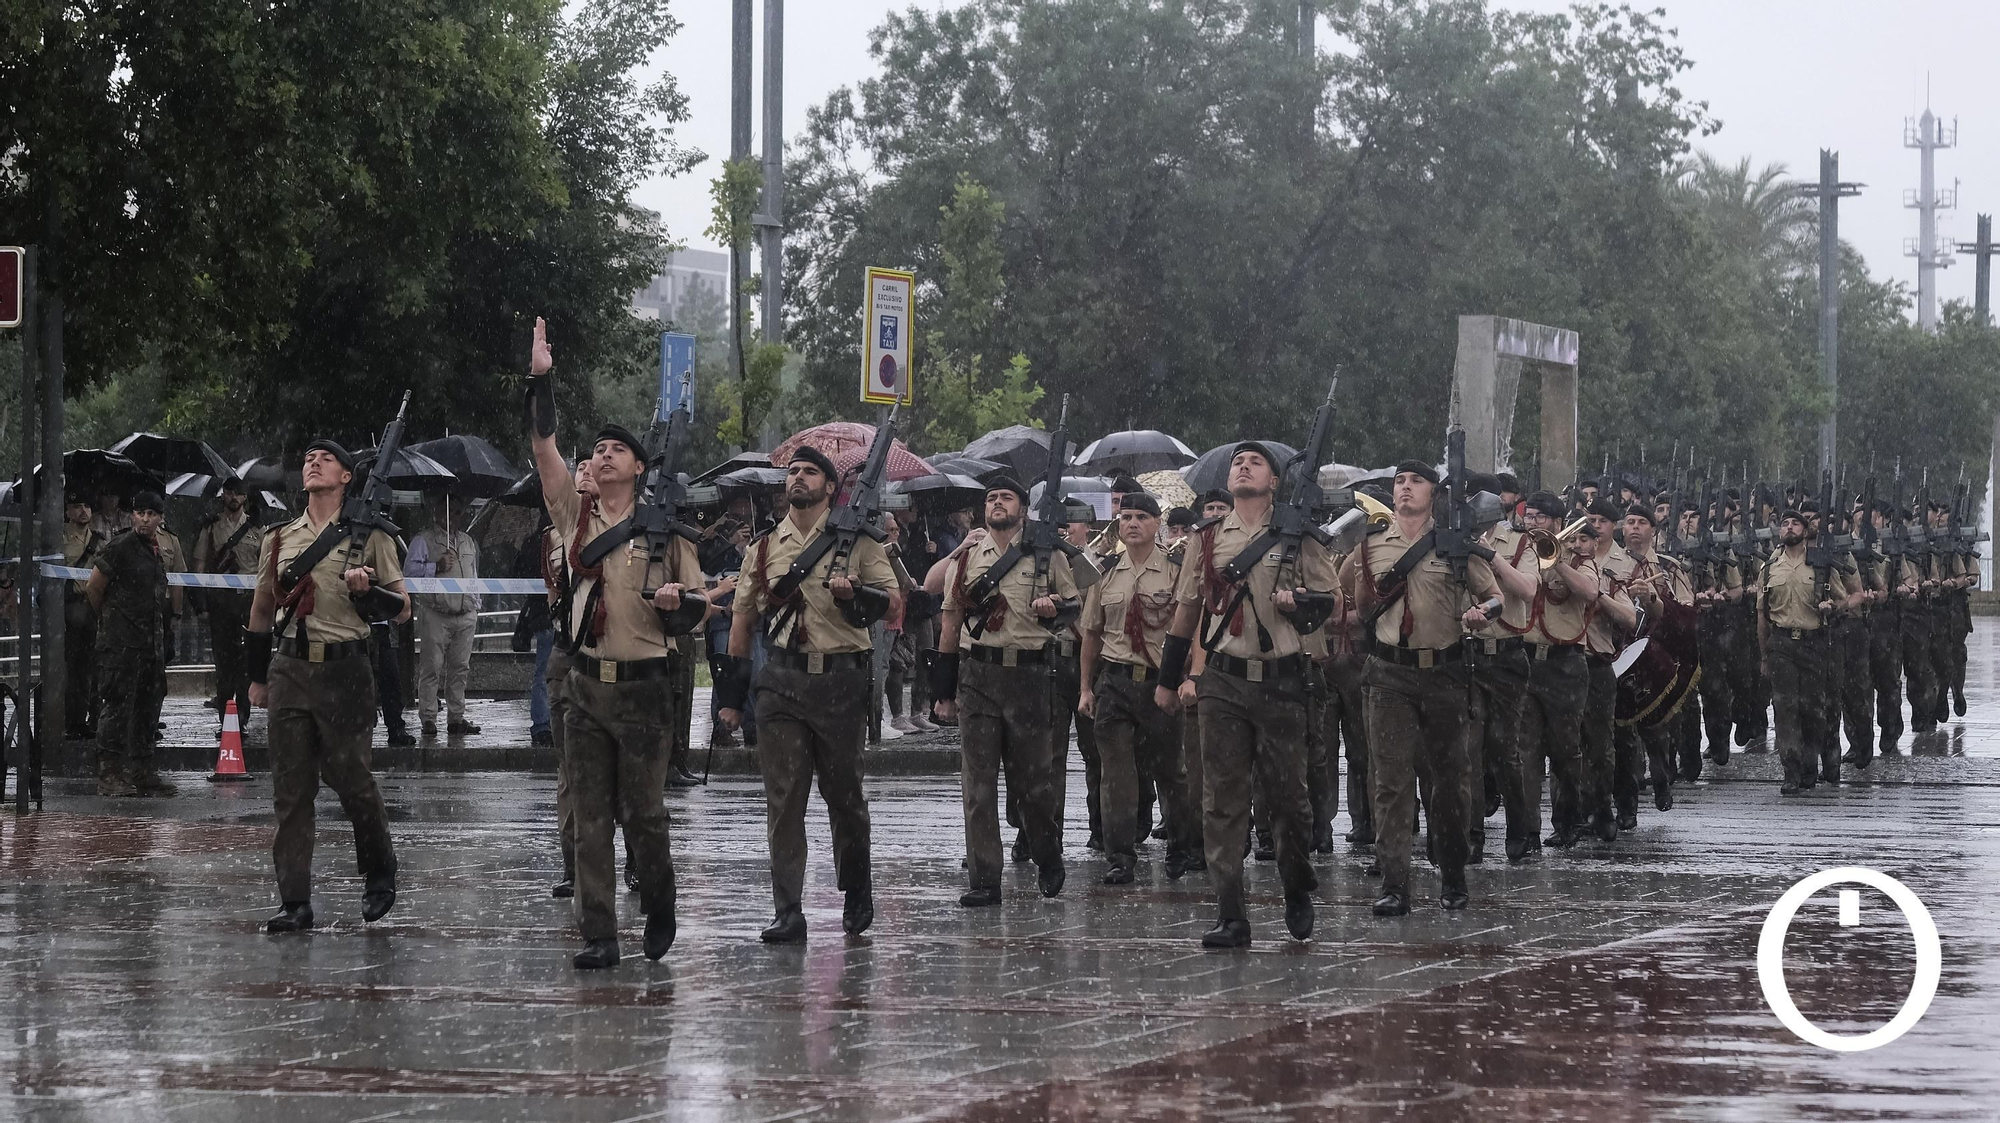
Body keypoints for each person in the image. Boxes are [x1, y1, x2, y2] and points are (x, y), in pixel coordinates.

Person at [523, 316, 693, 968]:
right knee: (589, 813)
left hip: (649, 686)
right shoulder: (573, 513)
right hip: (587, 683)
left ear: (639, 467)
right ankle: (598, 931)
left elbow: (699, 605)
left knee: (643, 814)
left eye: (615, 449)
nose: (600, 456)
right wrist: (542, 380)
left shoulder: (663, 530)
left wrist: (680, 605)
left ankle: (661, 898)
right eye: (595, 449)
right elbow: (544, 450)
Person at [715, 446, 895, 942]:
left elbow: (893, 601)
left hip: (840, 681)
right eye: (792, 471)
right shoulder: (766, 547)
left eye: (809, 471)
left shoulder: (858, 540)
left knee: (845, 797)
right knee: (784, 800)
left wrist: (855, 593)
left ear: (830, 487)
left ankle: (856, 886)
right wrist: (731, 698)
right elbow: (742, 621)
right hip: (782, 683)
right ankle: (788, 908)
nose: (797, 477)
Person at [1163, 443, 1334, 945]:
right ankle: (1231, 912)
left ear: (1276, 481)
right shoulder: (1207, 537)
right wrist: (1169, 681)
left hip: (1283, 680)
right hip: (1224, 682)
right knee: (1222, 800)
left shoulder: (1299, 534)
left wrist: (1299, 602)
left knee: (1288, 802)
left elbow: (1329, 602)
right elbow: (1188, 610)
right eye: (1239, 460)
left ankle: (1296, 884)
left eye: (1255, 461)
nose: (1243, 465)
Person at [245, 440, 406, 933]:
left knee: (353, 781)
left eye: (326, 459)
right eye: (308, 457)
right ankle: (294, 900)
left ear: (346, 478)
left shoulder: (371, 536)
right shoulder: (279, 538)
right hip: (290, 668)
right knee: (291, 793)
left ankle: (380, 868)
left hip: (346, 670)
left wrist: (368, 591)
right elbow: (261, 611)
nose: (313, 462)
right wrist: (255, 677)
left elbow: (401, 608)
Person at [932, 477, 1077, 907]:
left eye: (1006, 497)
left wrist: (1054, 610)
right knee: (977, 785)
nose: (997, 503)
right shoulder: (967, 558)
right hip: (979, 677)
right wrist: (943, 691)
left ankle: (1047, 853)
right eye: (991, 498)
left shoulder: (1047, 554)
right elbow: (949, 625)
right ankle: (984, 878)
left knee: (1033, 784)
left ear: (1024, 508)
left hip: (1031, 678)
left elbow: (1073, 610)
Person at [1077, 493, 1196, 882]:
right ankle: (1121, 856)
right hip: (1114, 683)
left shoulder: (1176, 570)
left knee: (1171, 773)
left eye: (1141, 517)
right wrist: (1085, 688)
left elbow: (1191, 629)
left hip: (1160, 683)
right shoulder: (1106, 571)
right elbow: (1091, 635)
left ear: (1157, 523)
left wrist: (1188, 678)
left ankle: (1181, 846)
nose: (1132, 523)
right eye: (1126, 516)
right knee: (1117, 775)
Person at [1758, 509, 1855, 793]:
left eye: (1795, 524)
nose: (1789, 527)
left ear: (1805, 531)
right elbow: (1762, 615)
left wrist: (1831, 607)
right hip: (1782, 644)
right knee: (1785, 708)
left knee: (1813, 709)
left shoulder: (1822, 566)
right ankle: (1791, 770)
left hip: (1814, 642)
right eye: (1784, 523)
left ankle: (1810, 767)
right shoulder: (1769, 568)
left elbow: (1844, 599)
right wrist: (1764, 655)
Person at [84, 490, 173, 797]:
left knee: (148, 708)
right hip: (121, 645)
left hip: (149, 645)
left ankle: (142, 771)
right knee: (117, 707)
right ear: (133, 515)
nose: (145, 519)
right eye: (140, 513)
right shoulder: (121, 546)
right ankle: (108, 774)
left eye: (151, 514)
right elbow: (94, 588)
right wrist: (111, 623)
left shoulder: (156, 550)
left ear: (161, 518)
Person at [1615, 505, 1691, 819]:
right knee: (1621, 731)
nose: (1634, 528)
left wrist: (1655, 599)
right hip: (1619, 650)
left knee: (1656, 725)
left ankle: (1661, 776)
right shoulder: (1610, 563)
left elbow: (1685, 609)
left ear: (1653, 529)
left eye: (1642, 523)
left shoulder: (1669, 567)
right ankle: (1627, 805)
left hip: (1657, 651)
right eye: (1629, 522)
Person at [407, 496, 482, 739]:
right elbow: (409, 574)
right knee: (432, 667)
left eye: (458, 512)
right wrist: (435, 566)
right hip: (436, 614)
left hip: (466, 615)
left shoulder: (469, 542)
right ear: (436, 512)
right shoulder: (423, 541)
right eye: (448, 510)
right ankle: (428, 718)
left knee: (460, 668)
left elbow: (474, 575)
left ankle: (456, 717)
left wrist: (476, 602)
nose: (453, 516)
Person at [194, 479, 262, 727]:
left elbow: (264, 566)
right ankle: (225, 716)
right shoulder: (211, 528)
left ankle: (242, 715)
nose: (234, 497)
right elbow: (199, 563)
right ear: (223, 495)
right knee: (223, 662)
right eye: (230, 492)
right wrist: (200, 602)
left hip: (248, 602)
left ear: (245, 498)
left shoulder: (256, 529)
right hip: (220, 602)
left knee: (246, 660)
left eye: (239, 493)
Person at [62, 496, 104, 738]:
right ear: (67, 511)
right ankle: (72, 720)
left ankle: (92, 718)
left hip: (92, 608)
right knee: (72, 668)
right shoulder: (58, 539)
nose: (83, 511)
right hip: (70, 608)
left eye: (87, 505)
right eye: (77, 506)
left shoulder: (99, 540)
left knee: (92, 666)